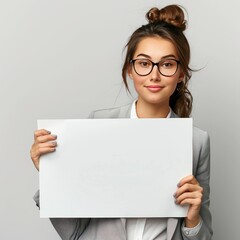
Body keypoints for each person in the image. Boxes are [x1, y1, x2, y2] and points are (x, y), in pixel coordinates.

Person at [30, 4, 212, 240]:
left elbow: (204, 234)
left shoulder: (196, 141)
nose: (154, 75)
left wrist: (193, 218)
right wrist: (52, 173)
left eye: (167, 64)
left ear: (181, 74)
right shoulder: (98, 124)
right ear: (130, 70)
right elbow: (73, 230)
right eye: (144, 63)